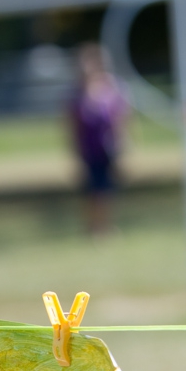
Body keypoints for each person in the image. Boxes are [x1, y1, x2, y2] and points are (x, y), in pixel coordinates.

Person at [69, 44, 129, 235]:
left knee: (107, 191)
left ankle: (106, 226)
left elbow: (120, 119)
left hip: (107, 149)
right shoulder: (77, 94)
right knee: (92, 192)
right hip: (88, 150)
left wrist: (124, 143)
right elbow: (72, 125)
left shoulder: (111, 89)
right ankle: (92, 227)